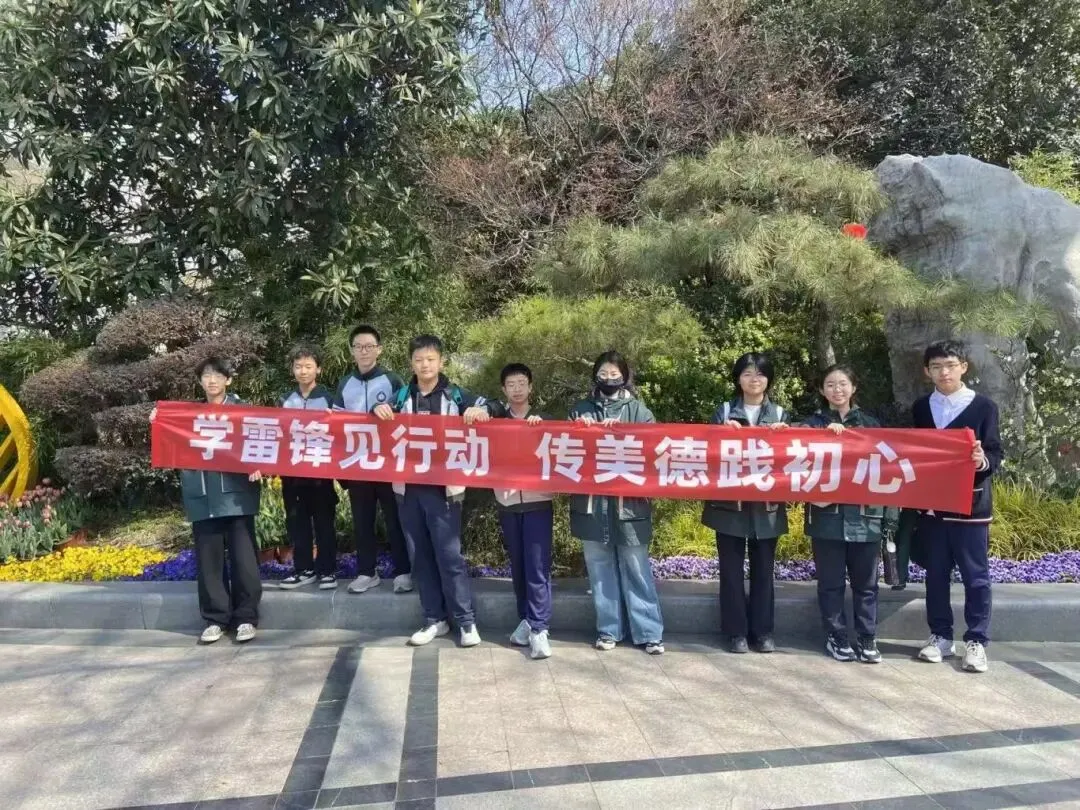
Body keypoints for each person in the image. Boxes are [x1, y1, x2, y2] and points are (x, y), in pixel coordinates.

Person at [373, 334, 488, 647]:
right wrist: (377, 409)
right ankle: (434, 619)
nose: (425, 365)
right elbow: (376, 413)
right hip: (408, 490)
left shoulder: (455, 394)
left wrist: (480, 412)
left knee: (450, 557)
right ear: (411, 363)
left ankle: (466, 622)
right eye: (419, 360)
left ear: (441, 362)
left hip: (444, 491)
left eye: (430, 359)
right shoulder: (401, 396)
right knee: (421, 558)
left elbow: (491, 406)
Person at [151, 357, 263, 644]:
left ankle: (246, 617)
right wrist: (158, 421)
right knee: (209, 562)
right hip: (202, 496)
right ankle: (216, 619)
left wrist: (258, 464)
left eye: (217, 375)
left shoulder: (243, 411)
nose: (211, 380)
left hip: (236, 496)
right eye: (206, 376)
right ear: (200, 381)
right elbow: (170, 442)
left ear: (228, 380)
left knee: (244, 560)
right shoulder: (190, 415)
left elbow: (262, 442)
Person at [913, 340, 1002, 673]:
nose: (944, 372)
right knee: (936, 575)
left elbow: (995, 452)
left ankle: (976, 640)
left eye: (950, 365)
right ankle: (941, 635)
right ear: (927, 371)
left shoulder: (983, 407)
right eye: (936, 367)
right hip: (934, 506)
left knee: (975, 577)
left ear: (964, 366)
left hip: (970, 505)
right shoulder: (922, 408)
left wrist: (981, 460)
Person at [569, 351, 665, 655]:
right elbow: (564, 453)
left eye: (614, 374)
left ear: (625, 376)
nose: (608, 379)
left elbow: (655, 451)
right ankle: (609, 629)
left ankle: (649, 632)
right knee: (599, 569)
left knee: (636, 567)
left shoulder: (638, 410)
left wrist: (625, 433)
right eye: (603, 374)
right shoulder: (580, 410)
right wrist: (578, 431)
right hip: (592, 504)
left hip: (630, 505)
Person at [800, 365, 892, 664]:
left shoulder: (871, 424)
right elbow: (792, 458)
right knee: (831, 583)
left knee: (866, 584)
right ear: (821, 390)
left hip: (866, 518)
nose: (837, 390)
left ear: (854, 388)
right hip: (826, 518)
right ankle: (836, 635)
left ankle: (867, 637)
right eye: (830, 384)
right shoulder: (811, 425)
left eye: (842, 384)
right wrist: (823, 439)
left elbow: (888, 468)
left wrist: (889, 517)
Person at [702, 352, 789, 654]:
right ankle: (735, 632)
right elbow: (707, 454)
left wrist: (783, 438)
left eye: (760, 374)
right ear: (738, 379)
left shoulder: (780, 414)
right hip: (730, 506)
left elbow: (792, 459)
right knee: (731, 571)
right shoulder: (724, 411)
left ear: (769, 379)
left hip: (766, 507)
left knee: (764, 571)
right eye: (748, 373)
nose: (754, 379)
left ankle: (763, 632)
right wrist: (721, 434)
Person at [334, 325, 413, 595]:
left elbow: (406, 414)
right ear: (351, 351)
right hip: (358, 464)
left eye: (369, 346)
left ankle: (403, 571)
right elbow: (336, 426)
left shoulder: (393, 380)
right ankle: (367, 572)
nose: (364, 351)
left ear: (379, 349)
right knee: (362, 521)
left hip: (388, 463)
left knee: (395, 520)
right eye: (358, 346)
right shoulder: (345, 384)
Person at [484, 363, 554, 660]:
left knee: (537, 566)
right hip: (508, 502)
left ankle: (540, 628)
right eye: (511, 384)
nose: (516, 389)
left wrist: (542, 429)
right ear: (503, 389)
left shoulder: (544, 420)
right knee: (519, 566)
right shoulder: (495, 422)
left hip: (538, 502)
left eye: (522, 383)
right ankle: (525, 619)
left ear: (530, 387)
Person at [277, 345, 340, 591]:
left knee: (324, 523)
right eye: (298, 366)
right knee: (297, 523)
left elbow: (340, 433)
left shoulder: (329, 399)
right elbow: (277, 432)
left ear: (318, 369)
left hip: (320, 473)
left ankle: (328, 570)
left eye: (308, 366)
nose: (303, 371)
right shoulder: (285, 399)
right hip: (292, 473)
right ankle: (303, 570)